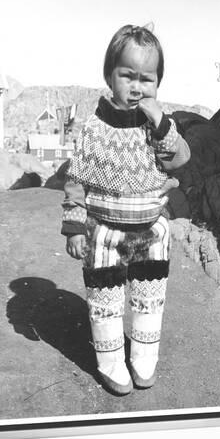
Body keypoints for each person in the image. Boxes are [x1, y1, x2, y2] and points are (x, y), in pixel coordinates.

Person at [61, 24, 190, 395]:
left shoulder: (159, 126)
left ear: (158, 84)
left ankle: (144, 357)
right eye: (127, 76)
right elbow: (77, 178)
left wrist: (163, 125)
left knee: (150, 299)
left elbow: (179, 159)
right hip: (103, 232)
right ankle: (111, 361)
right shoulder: (93, 127)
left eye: (146, 79)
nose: (137, 87)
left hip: (151, 231)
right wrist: (73, 227)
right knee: (106, 300)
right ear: (109, 76)